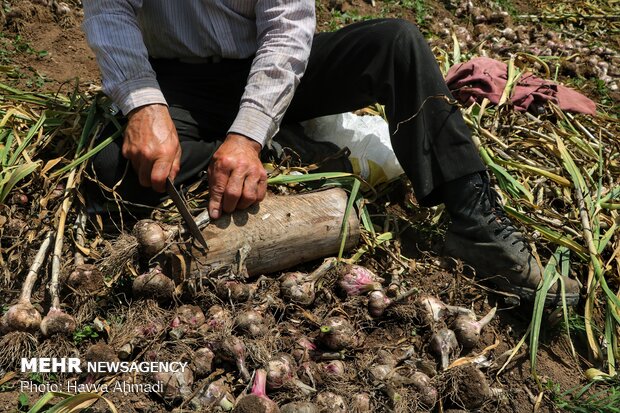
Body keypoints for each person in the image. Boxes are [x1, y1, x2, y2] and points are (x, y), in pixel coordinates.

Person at [81, 1, 579, 306]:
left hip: (263, 64)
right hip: (176, 82)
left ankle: (474, 220)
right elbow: (109, 8)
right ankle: (296, 149)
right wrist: (143, 101)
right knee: (111, 169)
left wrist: (248, 133)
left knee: (396, 43)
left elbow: (287, 29)